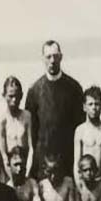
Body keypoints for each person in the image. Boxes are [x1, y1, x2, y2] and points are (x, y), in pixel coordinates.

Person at [24, 40, 85, 178]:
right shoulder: (34, 90)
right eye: (48, 57)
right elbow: (31, 130)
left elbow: (80, 126)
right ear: (42, 59)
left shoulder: (74, 88)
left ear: (61, 57)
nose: (52, 61)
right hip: (43, 162)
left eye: (55, 56)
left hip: (68, 159)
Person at [73, 86, 101, 181]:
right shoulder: (80, 130)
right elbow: (76, 163)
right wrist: (81, 186)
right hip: (86, 182)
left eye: (97, 104)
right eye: (90, 104)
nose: (94, 107)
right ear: (84, 107)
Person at [0, 76, 33, 183]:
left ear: (21, 96)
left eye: (17, 96)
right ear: (4, 96)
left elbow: (31, 148)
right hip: (9, 168)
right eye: (10, 96)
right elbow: (3, 154)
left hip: (25, 164)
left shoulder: (27, 116)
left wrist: (27, 173)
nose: (14, 100)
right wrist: (10, 177)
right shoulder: (1, 120)